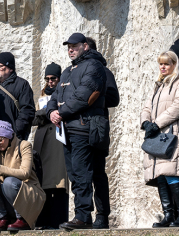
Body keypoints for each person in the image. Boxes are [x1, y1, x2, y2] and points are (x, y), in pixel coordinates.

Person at [46, 33, 109, 231]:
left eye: (74, 46)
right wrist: (51, 112)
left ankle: (83, 216)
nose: (70, 50)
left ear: (85, 46)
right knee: (75, 174)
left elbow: (84, 96)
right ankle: (85, 216)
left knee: (84, 174)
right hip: (68, 129)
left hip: (85, 128)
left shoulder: (94, 66)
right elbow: (54, 95)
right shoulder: (66, 71)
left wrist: (61, 113)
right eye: (68, 47)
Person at [140, 50, 179, 228]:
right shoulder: (159, 84)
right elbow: (147, 106)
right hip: (158, 136)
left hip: (173, 135)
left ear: (174, 65)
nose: (163, 67)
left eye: (167, 64)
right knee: (160, 176)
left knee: (172, 175)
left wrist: (157, 123)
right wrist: (146, 123)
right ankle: (169, 215)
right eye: (161, 64)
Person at [0, 121, 45, 232]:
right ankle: (3, 219)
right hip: (7, 194)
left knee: (9, 182)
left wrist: (0, 168)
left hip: (27, 192)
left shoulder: (24, 145)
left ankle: (22, 219)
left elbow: (25, 173)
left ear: (8, 136)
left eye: (0, 140)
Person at [84, 37, 118, 229]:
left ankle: (102, 215)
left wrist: (91, 99)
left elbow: (114, 98)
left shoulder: (103, 71)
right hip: (77, 129)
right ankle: (83, 214)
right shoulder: (76, 71)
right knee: (80, 175)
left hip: (96, 127)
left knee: (98, 173)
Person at [30, 64, 68, 229]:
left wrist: (46, 113)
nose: (50, 82)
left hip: (57, 140)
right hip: (42, 141)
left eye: (53, 78)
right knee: (41, 181)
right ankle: (42, 221)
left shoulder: (66, 91)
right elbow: (33, 118)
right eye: (48, 79)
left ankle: (58, 221)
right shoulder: (42, 95)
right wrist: (45, 113)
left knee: (59, 182)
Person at [0, 53, 35, 142]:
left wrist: (15, 131)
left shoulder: (21, 84)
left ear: (10, 68)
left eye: (0, 66)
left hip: (13, 137)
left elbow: (27, 110)